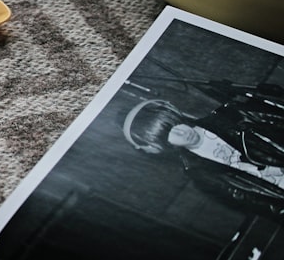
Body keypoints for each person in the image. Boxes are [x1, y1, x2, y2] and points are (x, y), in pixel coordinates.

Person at [122, 84, 284, 212]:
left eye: (173, 124)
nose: (181, 132)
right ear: (160, 146)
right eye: (168, 135)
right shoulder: (200, 173)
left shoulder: (232, 115)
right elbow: (262, 205)